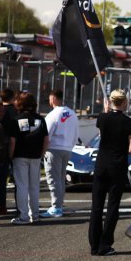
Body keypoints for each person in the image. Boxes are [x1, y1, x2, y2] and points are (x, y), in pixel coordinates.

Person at [89, 90, 131, 256]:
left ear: (110, 102)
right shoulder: (130, 122)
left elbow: (102, 135)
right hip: (117, 167)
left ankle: (94, 245)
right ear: (124, 102)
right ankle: (105, 244)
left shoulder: (102, 118)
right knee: (113, 206)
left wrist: (105, 111)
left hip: (101, 166)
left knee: (96, 206)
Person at [7, 92, 49, 225]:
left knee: (22, 186)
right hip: (36, 156)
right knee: (34, 186)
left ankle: (24, 216)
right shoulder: (40, 119)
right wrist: (41, 154)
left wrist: (10, 155)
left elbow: (12, 141)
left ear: (19, 104)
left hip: (20, 156)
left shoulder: (16, 120)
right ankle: (35, 214)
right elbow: (46, 139)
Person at [42, 89, 79, 218]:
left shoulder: (53, 114)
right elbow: (76, 134)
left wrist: (43, 150)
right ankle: (59, 204)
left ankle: (56, 207)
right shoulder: (72, 113)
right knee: (61, 178)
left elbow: (46, 135)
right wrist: (70, 146)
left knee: (53, 178)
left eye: (50, 98)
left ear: (53, 98)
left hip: (54, 149)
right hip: (67, 149)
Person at [0, 88, 17, 215]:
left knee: (1, 180)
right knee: (18, 180)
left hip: (0, 148)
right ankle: (20, 205)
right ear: (13, 97)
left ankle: (2, 206)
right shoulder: (17, 111)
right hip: (16, 148)